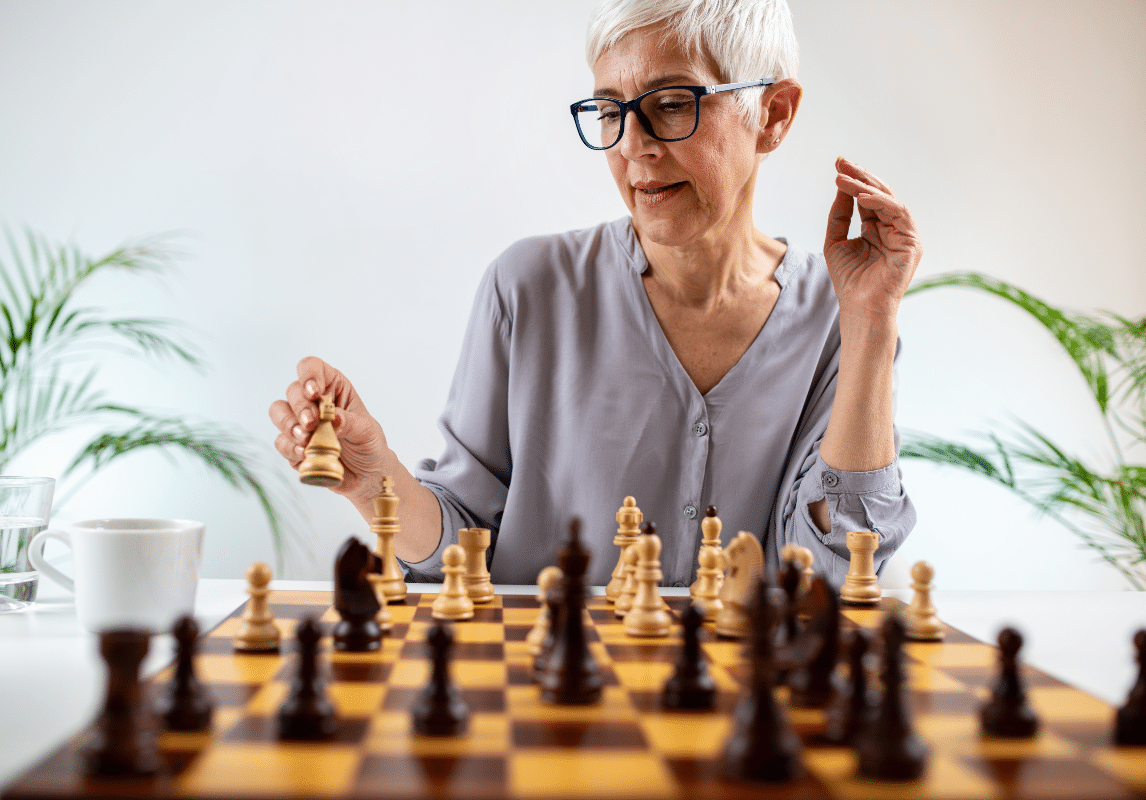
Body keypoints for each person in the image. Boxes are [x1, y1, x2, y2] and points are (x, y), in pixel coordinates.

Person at [269, 0, 919, 588]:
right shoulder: (527, 289)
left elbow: (836, 568)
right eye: (610, 110)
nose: (634, 145)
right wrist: (374, 477)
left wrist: (871, 322)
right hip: (551, 702)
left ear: (772, 114)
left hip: (743, 707)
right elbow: (461, 547)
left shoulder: (839, 317)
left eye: (670, 104)